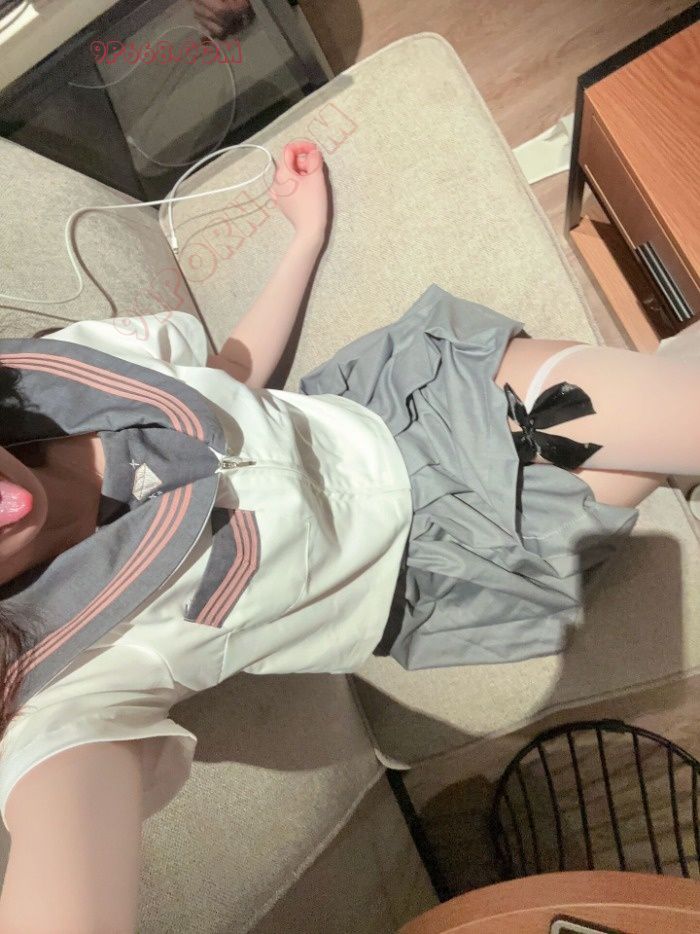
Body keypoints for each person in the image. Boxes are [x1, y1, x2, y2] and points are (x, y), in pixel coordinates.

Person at [0, 136, 698, 931]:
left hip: (414, 399)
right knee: (668, 414)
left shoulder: (50, 378)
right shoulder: (60, 691)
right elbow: (62, 846)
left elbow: (226, 376)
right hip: (445, 567)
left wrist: (305, 238)